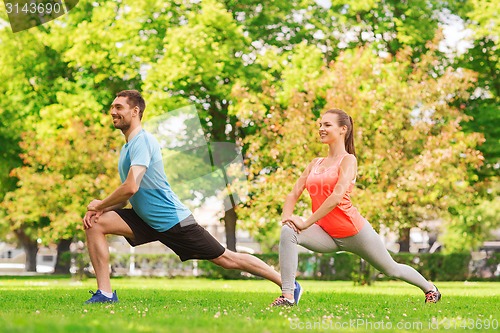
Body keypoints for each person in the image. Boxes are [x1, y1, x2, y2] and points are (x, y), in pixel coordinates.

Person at [83, 90, 287, 304]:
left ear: (135, 111)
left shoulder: (142, 141)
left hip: (172, 220)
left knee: (226, 259)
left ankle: (288, 285)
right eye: (112, 107)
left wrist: (101, 203)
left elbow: (130, 186)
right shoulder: (127, 148)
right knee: (95, 223)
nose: (112, 112)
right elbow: (127, 196)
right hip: (145, 218)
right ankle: (105, 294)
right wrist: (103, 209)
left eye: (118, 107)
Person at [271, 109, 441, 306]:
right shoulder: (314, 164)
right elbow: (294, 194)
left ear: (343, 129)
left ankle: (430, 289)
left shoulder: (348, 160)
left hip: (354, 232)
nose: (321, 129)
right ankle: (288, 297)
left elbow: (336, 197)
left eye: (327, 125)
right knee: (288, 232)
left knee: (391, 269)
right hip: (326, 234)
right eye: (320, 125)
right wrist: (287, 218)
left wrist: (306, 222)